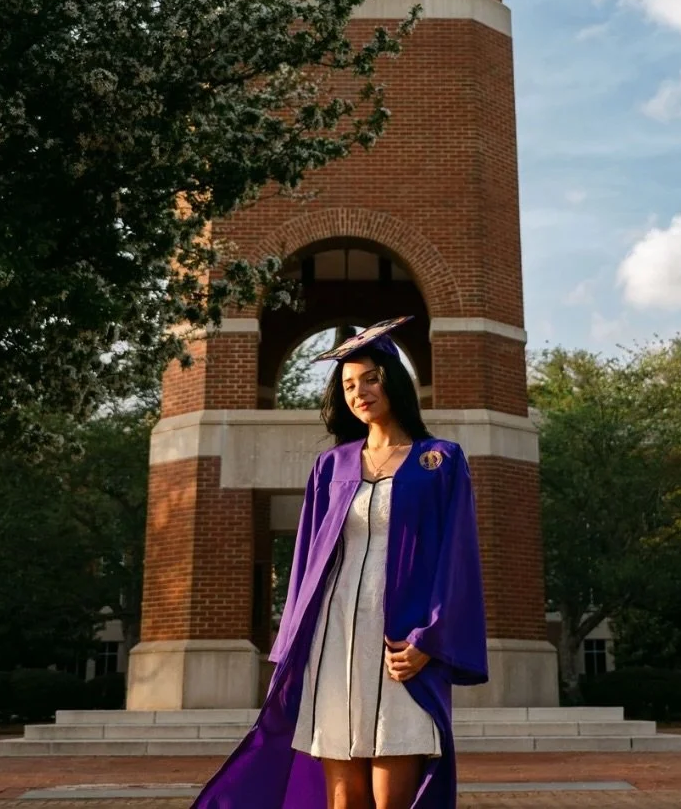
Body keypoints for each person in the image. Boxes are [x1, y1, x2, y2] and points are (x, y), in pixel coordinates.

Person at [190, 316, 488, 809]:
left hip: (399, 645)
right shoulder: (332, 466)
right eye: (349, 384)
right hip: (335, 638)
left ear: (394, 379)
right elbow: (307, 562)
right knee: (343, 797)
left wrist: (430, 643)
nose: (359, 391)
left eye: (370, 378)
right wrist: (292, 649)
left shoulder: (440, 460)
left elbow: (455, 561)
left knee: (392, 793)